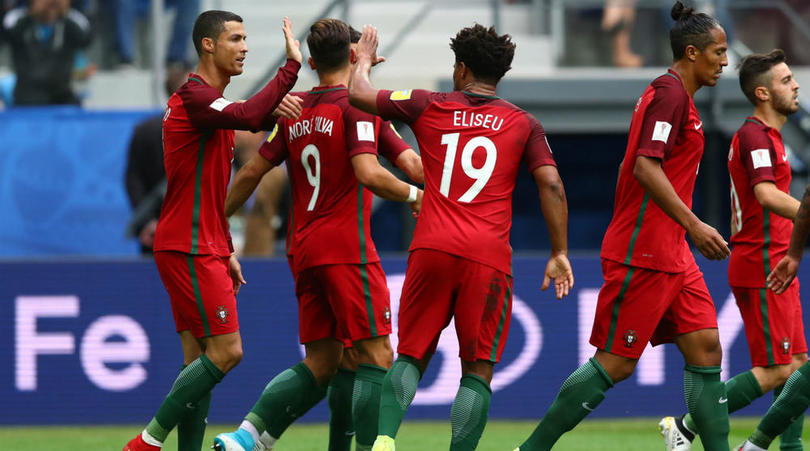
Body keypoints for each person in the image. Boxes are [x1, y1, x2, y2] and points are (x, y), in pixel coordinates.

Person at [514, 2, 731, 450]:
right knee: (615, 363)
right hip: (646, 251)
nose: (725, 62)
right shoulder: (670, 95)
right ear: (691, 53)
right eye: (718, 52)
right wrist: (692, 224)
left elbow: (625, 165)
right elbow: (645, 169)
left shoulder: (670, 96)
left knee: (707, 345)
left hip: (670, 251)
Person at [349, 21, 574, 451]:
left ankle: (383, 439)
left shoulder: (426, 104)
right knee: (477, 369)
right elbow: (552, 185)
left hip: (431, 245)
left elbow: (358, 94)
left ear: (461, 69)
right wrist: (559, 250)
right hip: (487, 258)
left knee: (412, 354)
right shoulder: (524, 124)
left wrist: (361, 62)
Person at [211, 18, 424, 451]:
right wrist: (421, 198)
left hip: (303, 248)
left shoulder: (296, 110)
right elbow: (401, 172)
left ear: (309, 62)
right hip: (346, 248)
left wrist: (214, 224)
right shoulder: (359, 107)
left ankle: (247, 436)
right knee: (377, 356)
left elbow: (252, 170)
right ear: (353, 56)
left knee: (328, 361)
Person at [122, 10, 302, 451]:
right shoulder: (195, 98)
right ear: (208, 45)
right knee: (227, 352)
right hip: (188, 245)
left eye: (245, 39)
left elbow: (241, 127)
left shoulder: (209, 105)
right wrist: (291, 66)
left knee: (196, 363)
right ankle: (146, 442)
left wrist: (225, 248)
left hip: (199, 242)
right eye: (235, 39)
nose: (244, 47)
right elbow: (251, 112)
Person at [660, 49, 806, 451]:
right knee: (778, 369)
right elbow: (766, 194)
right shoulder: (755, 136)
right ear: (762, 93)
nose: (795, 85)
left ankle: (785, 447)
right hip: (761, 261)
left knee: (796, 368)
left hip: (776, 258)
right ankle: (688, 426)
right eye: (785, 80)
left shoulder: (772, 138)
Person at [124, 67, 190, 255]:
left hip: (201, 231)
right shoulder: (147, 131)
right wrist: (147, 222)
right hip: (157, 231)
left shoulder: (215, 129)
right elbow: (134, 179)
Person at [1, 0, 91, 105]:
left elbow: (86, 38)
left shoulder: (69, 22)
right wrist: (33, 13)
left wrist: (64, 13)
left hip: (62, 96)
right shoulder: (19, 18)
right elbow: (7, 33)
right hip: (27, 98)